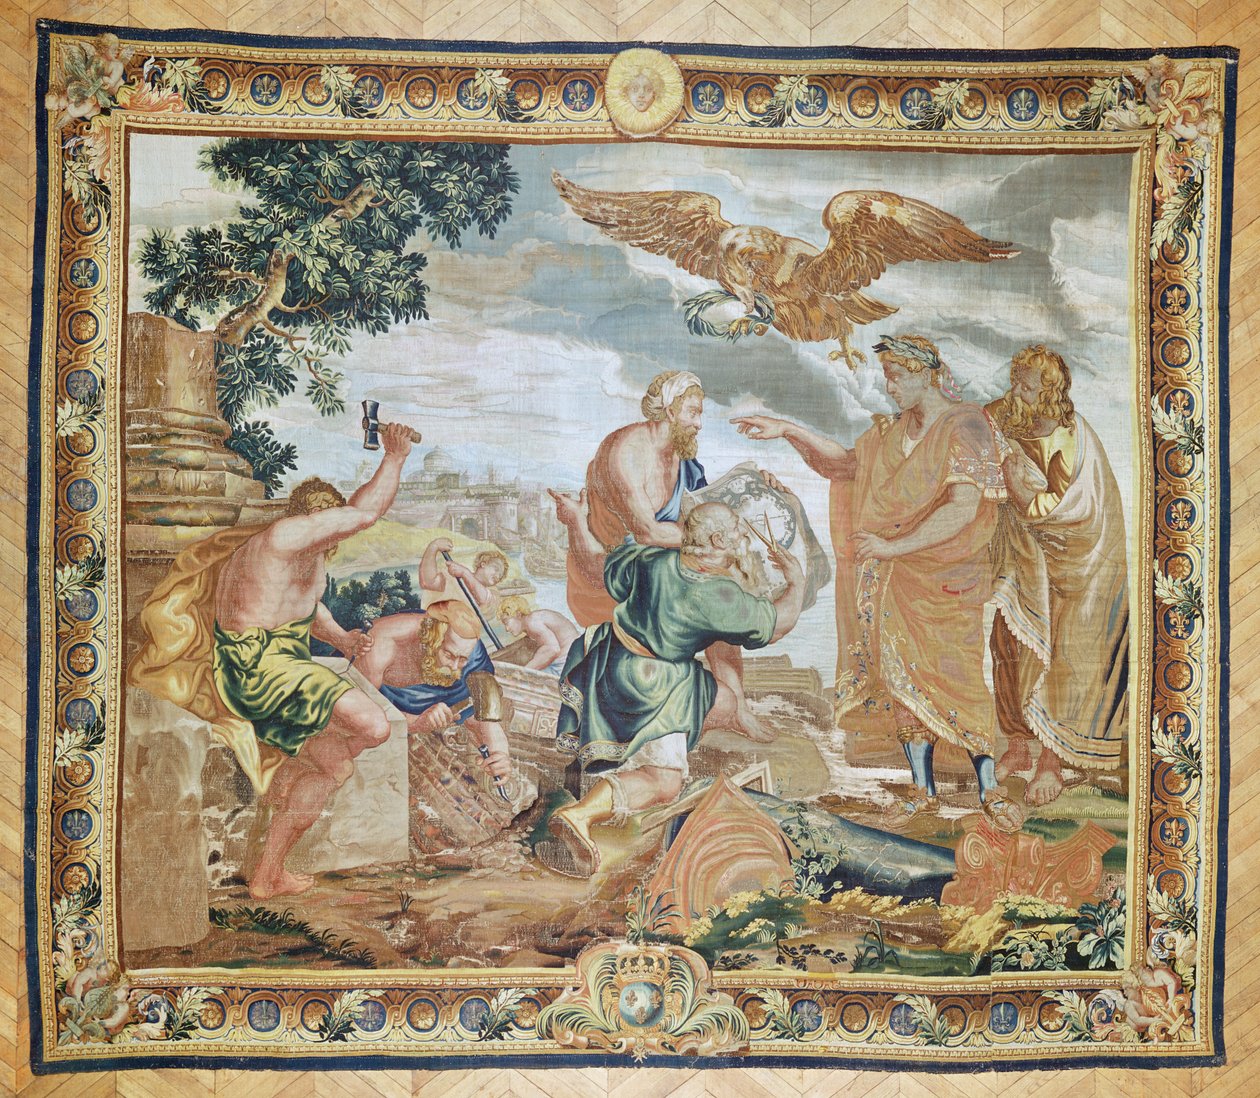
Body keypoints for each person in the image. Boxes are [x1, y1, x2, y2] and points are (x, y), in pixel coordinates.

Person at [733, 334, 1023, 832]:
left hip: (946, 579)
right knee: (900, 682)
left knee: (957, 678)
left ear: (926, 374)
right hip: (891, 581)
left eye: (898, 377)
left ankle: (990, 790)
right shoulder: (891, 433)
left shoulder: (966, 424)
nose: (890, 387)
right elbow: (845, 466)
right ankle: (922, 791)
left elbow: (963, 508)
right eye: (887, 377)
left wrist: (892, 546)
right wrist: (787, 429)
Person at [197, 423, 415, 898]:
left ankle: (267, 875)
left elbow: (308, 610)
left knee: (333, 769)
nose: (329, 530)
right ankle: (293, 775)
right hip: (254, 670)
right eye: (325, 520)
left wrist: (342, 638)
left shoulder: (310, 558)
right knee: (373, 727)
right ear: (309, 518)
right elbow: (365, 513)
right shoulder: (283, 537)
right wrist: (395, 456)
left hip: (286, 667)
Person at [545, 498, 805, 876]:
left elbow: (599, 566)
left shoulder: (652, 559)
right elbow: (779, 624)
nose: (743, 537)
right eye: (736, 531)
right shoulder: (718, 595)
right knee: (665, 782)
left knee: (723, 696)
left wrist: (578, 521)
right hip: (652, 683)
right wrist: (797, 581)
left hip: (607, 662)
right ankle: (581, 815)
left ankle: (631, 767)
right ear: (717, 541)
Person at [561, 369, 770, 742]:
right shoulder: (625, 452)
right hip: (615, 575)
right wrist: (716, 546)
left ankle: (738, 706)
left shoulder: (683, 460)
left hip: (661, 565)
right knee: (709, 589)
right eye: (693, 412)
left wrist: (759, 489)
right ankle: (700, 706)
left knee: (720, 588)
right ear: (670, 410)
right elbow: (649, 532)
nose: (699, 424)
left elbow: (708, 513)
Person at [985, 345, 1128, 804]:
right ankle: (1018, 744)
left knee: (1061, 657)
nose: (1016, 392)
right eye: (1015, 383)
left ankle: (1051, 761)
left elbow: (1062, 508)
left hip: (1077, 564)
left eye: (1026, 388)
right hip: (1025, 555)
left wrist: (1016, 485)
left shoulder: (1067, 439)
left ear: (1047, 393)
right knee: (1007, 639)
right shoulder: (1012, 414)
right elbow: (981, 423)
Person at [330, 599, 513, 780]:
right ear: (430, 638)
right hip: (372, 723)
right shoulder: (380, 645)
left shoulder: (467, 648)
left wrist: (499, 753)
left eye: (463, 659)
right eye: (448, 655)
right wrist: (416, 723)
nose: (454, 667)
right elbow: (360, 717)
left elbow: (482, 711)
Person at [419, 537, 508, 614]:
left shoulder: (493, 593)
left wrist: (465, 573)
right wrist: (433, 547)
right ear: (483, 564)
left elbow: (483, 599)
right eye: (496, 569)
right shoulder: (453, 576)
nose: (498, 576)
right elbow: (428, 582)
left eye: (500, 576)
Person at [498, 595, 581, 672]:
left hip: (568, 660)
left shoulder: (532, 623)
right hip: (572, 654)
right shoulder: (531, 622)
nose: (507, 629)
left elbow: (552, 650)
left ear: (518, 615)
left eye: (506, 622)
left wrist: (524, 671)